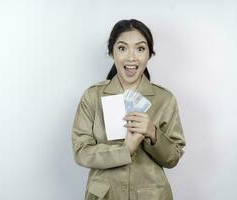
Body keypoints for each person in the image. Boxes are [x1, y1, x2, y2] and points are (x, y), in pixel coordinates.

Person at [72, 19, 186, 200]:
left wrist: (153, 133)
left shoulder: (165, 99)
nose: (131, 57)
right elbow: (81, 152)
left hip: (152, 195)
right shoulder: (92, 97)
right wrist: (125, 150)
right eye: (122, 48)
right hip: (105, 195)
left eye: (140, 49)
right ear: (111, 53)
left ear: (149, 54)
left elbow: (173, 158)